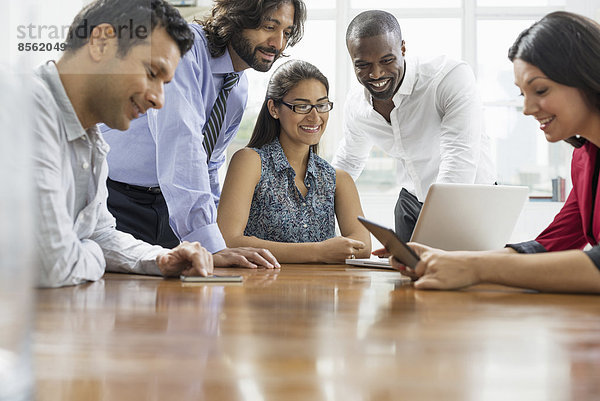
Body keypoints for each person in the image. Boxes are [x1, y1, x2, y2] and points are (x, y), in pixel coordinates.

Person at [387, 11, 600, 294]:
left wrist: (475, 268)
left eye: (540, 89)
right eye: (523, 94)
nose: (527, 108)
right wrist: (453, 260)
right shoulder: (584, 157)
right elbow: (552, 243)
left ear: (586, 75)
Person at [101, 0, 307, 269]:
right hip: (118, 204)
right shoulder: (184, 48)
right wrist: (211, 244)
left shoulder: (238, 88)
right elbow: (181, 145)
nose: (277, 42)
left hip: (170, 207)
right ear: (237, 16)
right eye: (269, 26)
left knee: (181, 300)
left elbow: (208, 165)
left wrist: (219, 236)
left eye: (287, 33)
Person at [33, 0, 215, 288]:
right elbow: (51, 263)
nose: (159, 100)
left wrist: (160, 259)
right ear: (101, 43)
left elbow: (99, 234)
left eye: (165, 84)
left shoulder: (92, 139)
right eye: (152, 73)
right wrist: (90, 251)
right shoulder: (26, 107)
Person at [332, 10, 496, 241]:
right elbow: (349, 160)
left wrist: (433, 233)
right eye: (363, 65)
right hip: (410, 200)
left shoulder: (448, 77)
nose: (376, 73)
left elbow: (458, 159)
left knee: (469, 275)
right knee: (408, 274)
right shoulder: (356, 105)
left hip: (468, 197)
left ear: (403, 49)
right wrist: (315, 204)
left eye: (387, 60)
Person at [217, 60, 371, 263]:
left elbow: (364, 246)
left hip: (321, 292)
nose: (315, 117)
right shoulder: (249, 162)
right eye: (302, 106)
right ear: (274, 108)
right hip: (261, 289)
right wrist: (318, 252)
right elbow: (228, 240)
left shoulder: (338, 179)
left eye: (321, 105)